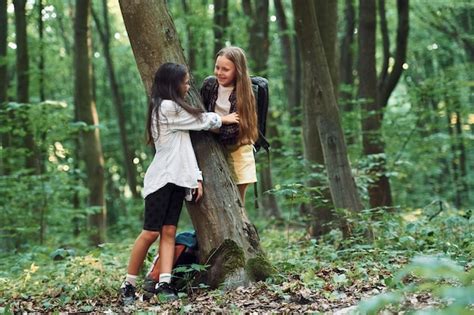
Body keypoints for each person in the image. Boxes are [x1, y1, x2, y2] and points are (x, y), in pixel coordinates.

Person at [120, 62, 239, 305]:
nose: (188, 86)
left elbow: (184, 148)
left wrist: (196, 177)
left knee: (169, 231)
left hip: (176, 179)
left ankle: (165, 282)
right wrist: (225, 119)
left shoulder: (171, 109)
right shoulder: (165, 107)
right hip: (161, 180)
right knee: (150, 232)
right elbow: (202, 121)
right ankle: (128, 284)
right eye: (185, 82)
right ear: (173, 84)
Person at [200, 46, 258, 204]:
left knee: (237, 201)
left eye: (225, 69)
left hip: (239, 147)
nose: (219, 72)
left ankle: (241, 228)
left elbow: (234, 131)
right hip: (215, 144)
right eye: (217, 67)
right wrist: (222, 119)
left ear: (237, 71)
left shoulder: (244, 93)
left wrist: (210, 124)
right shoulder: (209, 86)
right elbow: (200, 115)